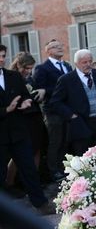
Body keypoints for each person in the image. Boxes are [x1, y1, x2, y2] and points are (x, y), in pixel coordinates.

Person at [0, 45, 55, 215]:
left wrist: (25, 103)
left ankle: (41, 204)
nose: (2, 59)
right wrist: (6, 110)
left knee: (29, 168)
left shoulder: (14, 76)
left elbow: (25, 96)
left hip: (18, 131)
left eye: (3, 55)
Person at [49, 49, 96, 156]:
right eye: (84, 62)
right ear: (76, 63)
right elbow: (55, 102)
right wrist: (71, 115)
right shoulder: (66, 79)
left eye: (90, 61)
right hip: (81, 123)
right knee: (84, 158)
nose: (88, 64)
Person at [6, 53, 47, 192]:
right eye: (27, 68)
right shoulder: (11, 78)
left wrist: (39, 93)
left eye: (31, 68)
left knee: (36, 150)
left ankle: (32, 183)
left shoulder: (28, 78)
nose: (29, 71)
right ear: (19, 65)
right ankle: (10, 183)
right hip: (22, 119)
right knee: (19, 155)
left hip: (34, 117)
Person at [32, 39, 72, 182]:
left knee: (65, 141)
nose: (60, 48)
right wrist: (59, 89)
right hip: (52, 110)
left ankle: (63, 168)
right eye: (55, 47)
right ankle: (53, 171)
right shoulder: (42, 68)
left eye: (60, 46)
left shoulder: (67, 65)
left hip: (67, 109)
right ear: (48, 51)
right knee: (55, 141)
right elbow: (40, 89)